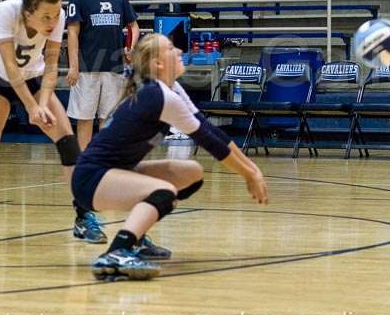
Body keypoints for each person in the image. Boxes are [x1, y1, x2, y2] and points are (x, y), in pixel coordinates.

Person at [72, 33, 268, 280]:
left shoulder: (170, 88)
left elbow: (210, 130)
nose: (178, 52)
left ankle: (138, 237)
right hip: (92, 179)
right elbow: (209, 142)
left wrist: (253, 170)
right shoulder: (159, 95)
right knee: (164, 192)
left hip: (116, 173)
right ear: (157, 64)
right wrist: (249, 175)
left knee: (192, 173)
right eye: (171, 48)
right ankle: (118, 250)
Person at [0, 0, 105, 244]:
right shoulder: (6, 11)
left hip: (34, 79)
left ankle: (84, 216)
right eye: (46, 16)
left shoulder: (57, 15)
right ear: (28, 11)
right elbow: (10, 67)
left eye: (56, 15)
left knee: (69, 145)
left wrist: (42, 103)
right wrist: (32, 108)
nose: (53, 21)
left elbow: (53, 63)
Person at [67, 0, 140, 151]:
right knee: (85, 117)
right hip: (86, 66)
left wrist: (130, 48)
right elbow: (72, 34)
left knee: (108, 116)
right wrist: (73, 66)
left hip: (114, 66)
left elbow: (134, 26)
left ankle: (104, 157)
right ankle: (85, 158)